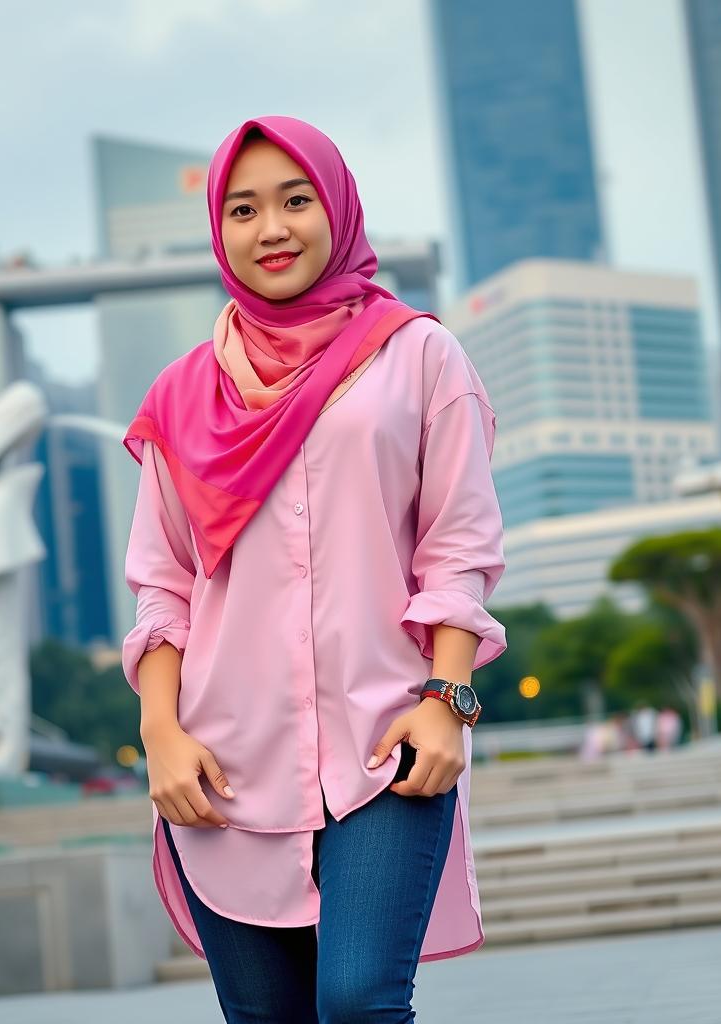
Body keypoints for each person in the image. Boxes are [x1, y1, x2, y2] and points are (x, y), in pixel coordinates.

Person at [121, 115, 507, 1023]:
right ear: (220, 232)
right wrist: (161, 734)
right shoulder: (183, 396)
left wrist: (447, 701)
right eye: (244, 209)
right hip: (222, 765)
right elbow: (163, 584)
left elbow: (458, 545)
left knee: (361, 1003)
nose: (273, 229)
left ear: (337, 207)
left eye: (296, 200)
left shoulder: (417, 355)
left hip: (384, 743)